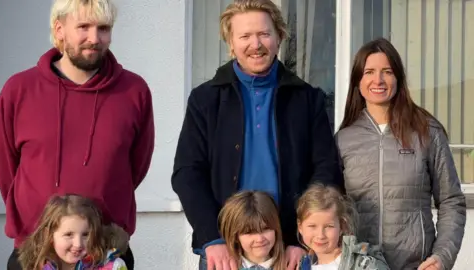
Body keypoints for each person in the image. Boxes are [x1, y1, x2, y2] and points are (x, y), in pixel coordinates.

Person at [171, 0, 343, 269]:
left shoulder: (307, 99)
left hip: (289, 249)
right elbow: (187, 173)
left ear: (279, 37)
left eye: (264, 34)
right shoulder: (205, 100)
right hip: (224, 249)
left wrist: (302, 239)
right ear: (230, 43)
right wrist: (211, 238)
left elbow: (326, 169)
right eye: (245, 36)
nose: (256, 44)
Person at [0, 0, 155, 269]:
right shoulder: (19, 89)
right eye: (83, 27)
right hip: (36, 249)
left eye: (103, 28)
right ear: (59, 30)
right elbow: (4, 165)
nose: (95, 38)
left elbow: (136, 165)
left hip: (106, 249)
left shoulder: (133, 91)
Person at [336, 37, 466, 270]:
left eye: (387, 71)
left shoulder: (426, 131)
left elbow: (451, 201)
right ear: (358, 80)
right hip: (360, 266)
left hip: (416, 265)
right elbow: (330, 208)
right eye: (369, 72)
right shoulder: (344, 139)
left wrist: (442, 257)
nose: (378, 80)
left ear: (398, 78)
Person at [18, 194, 128, 270]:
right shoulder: (38, 266)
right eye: (69, 234)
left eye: (86, 234)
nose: (78, 244)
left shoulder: (113, 266)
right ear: (50, 235)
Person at [296, 184, 389, 270]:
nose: (320, 235)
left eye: (329, 226)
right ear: (300, 227)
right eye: (312, 226)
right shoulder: (303, 266)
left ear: (342, 227)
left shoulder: (363, 265)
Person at [218, 190, 285, 270]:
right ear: (235, 236)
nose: (259, 239)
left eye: (266, 228)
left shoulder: (297, 265)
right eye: (249, 232)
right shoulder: (218, 266)